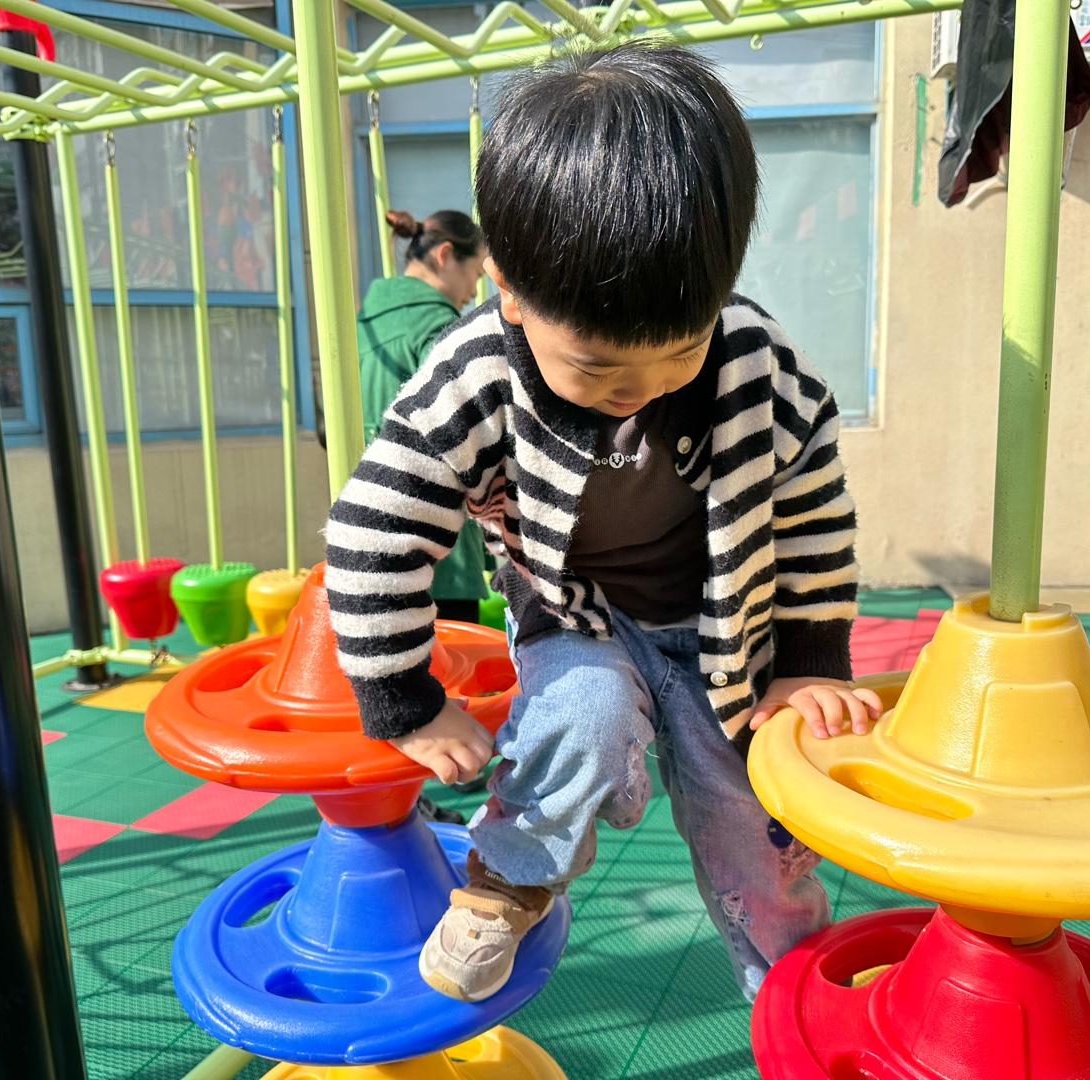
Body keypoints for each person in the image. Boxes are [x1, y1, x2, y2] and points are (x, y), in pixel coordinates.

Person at [325, 43, 880, 1006]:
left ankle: (791, 988)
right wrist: (406, 701)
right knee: (580, 721)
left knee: (754, 818)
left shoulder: (753, 358)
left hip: (727, 629)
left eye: (678, 353)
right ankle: (507, 880)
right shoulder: (474, 375)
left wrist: (809, 659)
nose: (640, 390)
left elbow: (812, 506)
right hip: (576, 616)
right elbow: (371, 533)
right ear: (508, 288)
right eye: (597, 367)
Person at [356, 209, 490, 623]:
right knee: (454, 656)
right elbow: (463, 423)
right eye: (475, 273)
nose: (474, 291)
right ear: (444, 255)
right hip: (437, 544)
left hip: (370, 528)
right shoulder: (436, 325)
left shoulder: (364, 325)